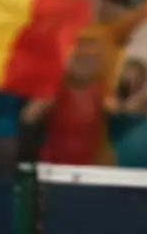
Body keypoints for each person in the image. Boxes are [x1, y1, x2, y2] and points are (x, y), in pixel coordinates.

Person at [25, 31, 111, 168]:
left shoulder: (101, 90)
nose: (86, 65)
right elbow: (28, 116)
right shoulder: (57, 86)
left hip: (86, 170)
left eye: (92, 60)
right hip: (53, 168)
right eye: (81, 59)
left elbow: (120, 110)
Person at [104, 53, 147, 169]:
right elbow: (112, 107)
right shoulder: (112, 104)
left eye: (138, 79)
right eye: (129, 78)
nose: (133, 82)